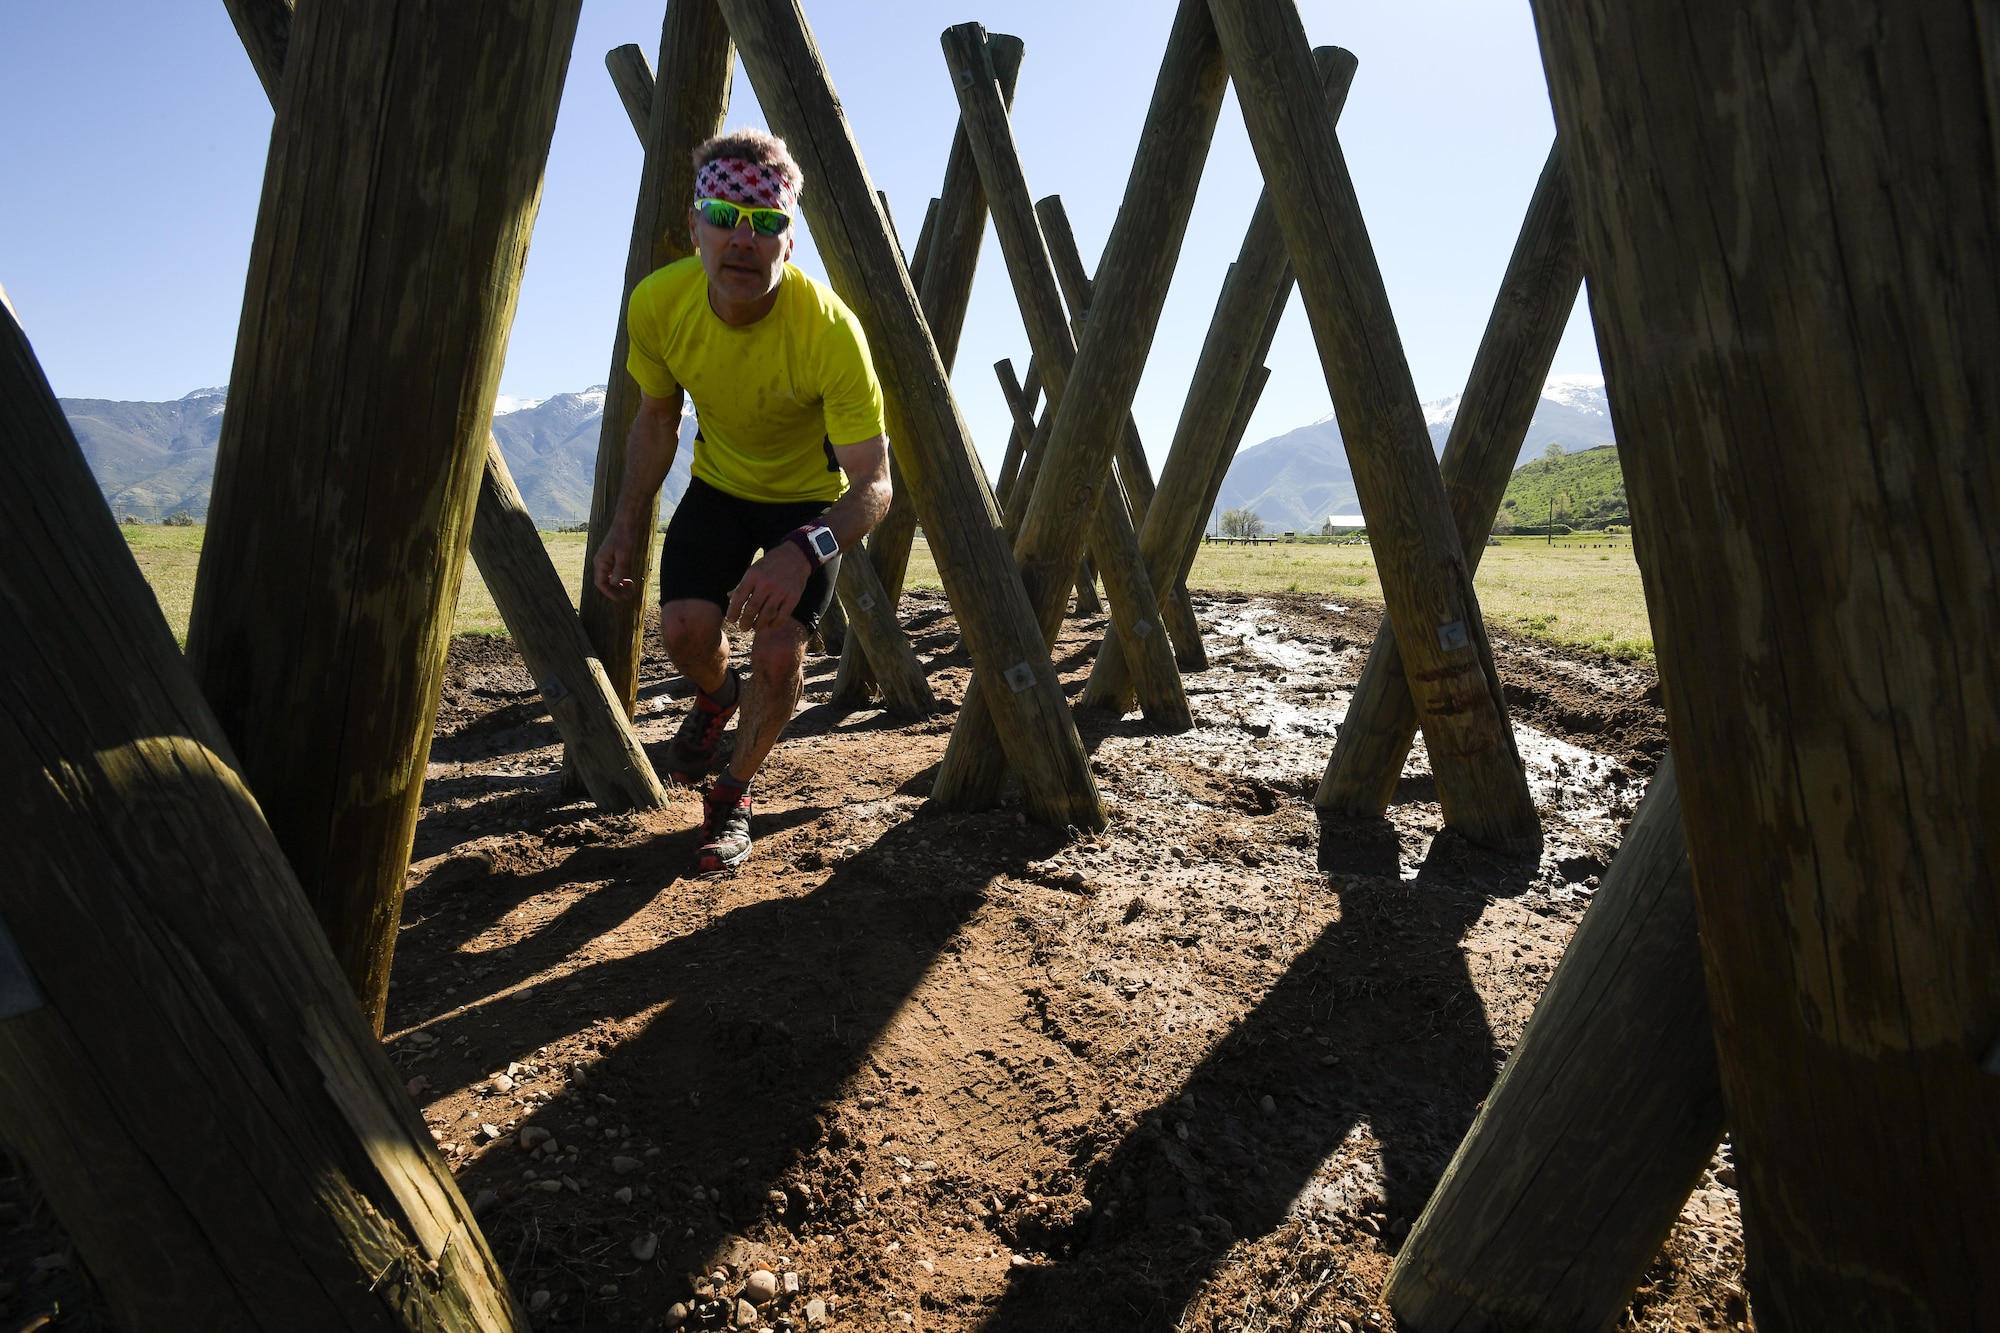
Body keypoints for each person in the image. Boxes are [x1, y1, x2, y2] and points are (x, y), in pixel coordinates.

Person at [591, 128, 891, 873]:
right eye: (723, 216)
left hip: (809, 508)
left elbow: (876, 486)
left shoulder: (831, 333)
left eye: (765, 224)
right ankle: (719, 696)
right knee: (685, 631)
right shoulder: (659, 304)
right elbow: (657, 418)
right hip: (721, 485)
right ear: (694, 226)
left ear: (789, 242)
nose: (742, 240)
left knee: (782, 653)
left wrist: (805, 549)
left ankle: (732, 794)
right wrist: (626, 522)